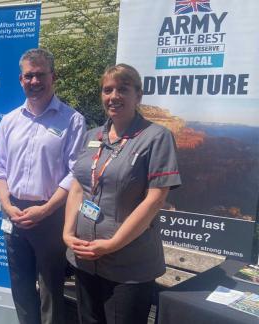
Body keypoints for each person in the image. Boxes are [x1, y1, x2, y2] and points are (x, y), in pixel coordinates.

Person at [63, 64, 182, 324]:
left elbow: (155, 200)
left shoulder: (156, 137)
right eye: (108, 90)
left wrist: (111, 245)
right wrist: (67, 233)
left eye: (122, 89)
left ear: (138, 95)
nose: (113, 96)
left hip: (128, 265)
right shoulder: (92, 136)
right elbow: (77, 186)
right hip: (84, 258)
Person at [0, 48, 86, 324]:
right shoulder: (9, 120)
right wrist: (7, 205)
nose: (34, 81)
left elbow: (75, 174)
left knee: (50, 290)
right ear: (21, 79)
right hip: (14, 212)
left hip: (51, 215)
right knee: (20, 287)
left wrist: (44, 211)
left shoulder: (72, 120)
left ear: (52, 77)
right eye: (29, 76)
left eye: (40, 75)